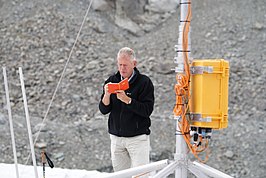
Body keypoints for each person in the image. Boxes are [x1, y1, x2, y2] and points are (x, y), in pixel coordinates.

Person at [99, 47, 155, 172]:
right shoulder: (111, 81)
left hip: (137, 139)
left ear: (134, 64)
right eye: (120, 65)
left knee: (141, 175)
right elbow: (103, 110)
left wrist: (128, 100)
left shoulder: (144, 82)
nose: (122, 68)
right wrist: (107, 94)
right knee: (120, 176)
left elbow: (147, 110)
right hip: (116, 139)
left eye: (125, 65)